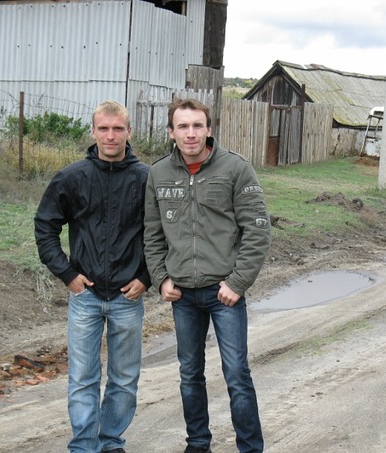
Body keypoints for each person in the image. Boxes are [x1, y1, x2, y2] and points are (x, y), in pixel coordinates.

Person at [143, 98, 271, 453]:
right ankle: (198, 444)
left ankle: (250, 448)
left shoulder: (236, 169)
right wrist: (161, 278)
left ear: (209, 130)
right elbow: (152, 234)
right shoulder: (158, 174)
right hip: (182, 295)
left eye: (197, 125)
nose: (191, 133)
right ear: (171, 132)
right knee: (189, 374)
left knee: (237, 373)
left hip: (223, 293)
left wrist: (237, 283)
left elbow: (258, 230)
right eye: (183, 126)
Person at [34, 100, 150, 453]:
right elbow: (45, 226)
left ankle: (111, 442)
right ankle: (84, 447)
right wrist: (68, 274)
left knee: (124, 379)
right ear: (93, 131)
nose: (110, 136)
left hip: (128, 296)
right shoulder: (72, 177)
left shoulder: (147, 179)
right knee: (82, 378)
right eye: (104, 128)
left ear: (129, 132)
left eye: (117, 129)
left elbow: (163, 234)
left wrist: (146, 277)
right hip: (85, 296)